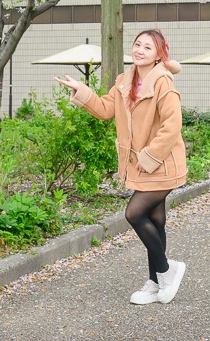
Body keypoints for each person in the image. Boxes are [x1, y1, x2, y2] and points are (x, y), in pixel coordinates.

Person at [55, 28, 188, 305]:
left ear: (159, 54)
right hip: (142, 164)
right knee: (155, 220)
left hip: (161, 163)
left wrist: (149, 156)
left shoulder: (163, 81)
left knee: (134, 213)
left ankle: (166, 270)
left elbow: (172, 125)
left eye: (147, 47)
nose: (139, 50)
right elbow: (105, 109)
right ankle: (154, 284)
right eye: (137, 44)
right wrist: (82, 91)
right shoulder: (125, 80)